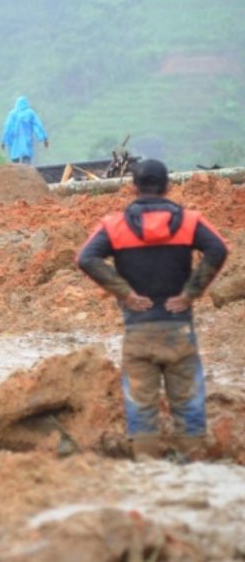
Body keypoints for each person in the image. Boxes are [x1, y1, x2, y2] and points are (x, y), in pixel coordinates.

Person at [77, 159, 228, 460]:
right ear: (169, 186)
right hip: (179, 329)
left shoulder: (115, 226)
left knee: (141, 408)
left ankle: (148, 466)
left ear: (133, 187)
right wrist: (190, 293)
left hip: (139, 331)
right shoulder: (189, 222)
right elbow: (219, 249)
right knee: (188, 404)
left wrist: (125, 293)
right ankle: (193, 467)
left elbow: (86, 258)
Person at [0, 96, 49, 164]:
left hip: (15, 142)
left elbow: (7, 128)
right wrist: (44, 138)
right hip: (27, 141)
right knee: (26, 160)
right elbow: (38, 126)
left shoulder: (12, 114)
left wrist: (4, 141)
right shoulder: (30, 113)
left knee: (15, 160)